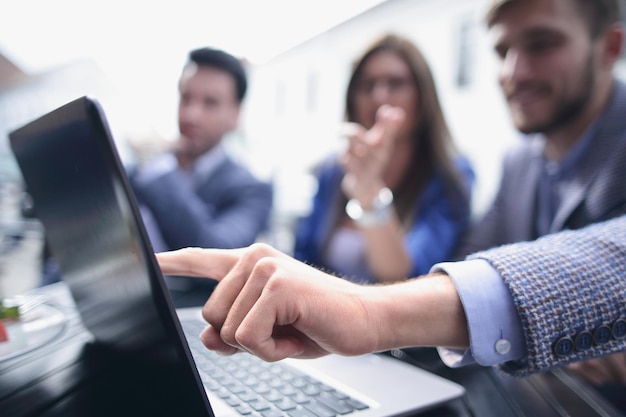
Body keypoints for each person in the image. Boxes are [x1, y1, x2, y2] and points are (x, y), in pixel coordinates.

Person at [452, 0, 626, 406]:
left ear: (610, 48)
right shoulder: (519, 161)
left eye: (542, 45)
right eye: (501, 51)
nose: (513, 73)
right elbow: (467, 266)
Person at [294, 34, 474, 284]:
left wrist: (370, 196)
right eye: (367, 85)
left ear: (423, 97)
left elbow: (415, 278)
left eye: (396, 83)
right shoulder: (333, 170)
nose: (379, 97)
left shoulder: (449, 176)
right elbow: (303, 258)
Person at [130, 47, 273, 307]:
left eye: (210, 103)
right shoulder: (140, 172)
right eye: (185, 99)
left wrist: (162, 173)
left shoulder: (252, 189)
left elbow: (215, 258)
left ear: (235, 115)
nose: (190, 115)